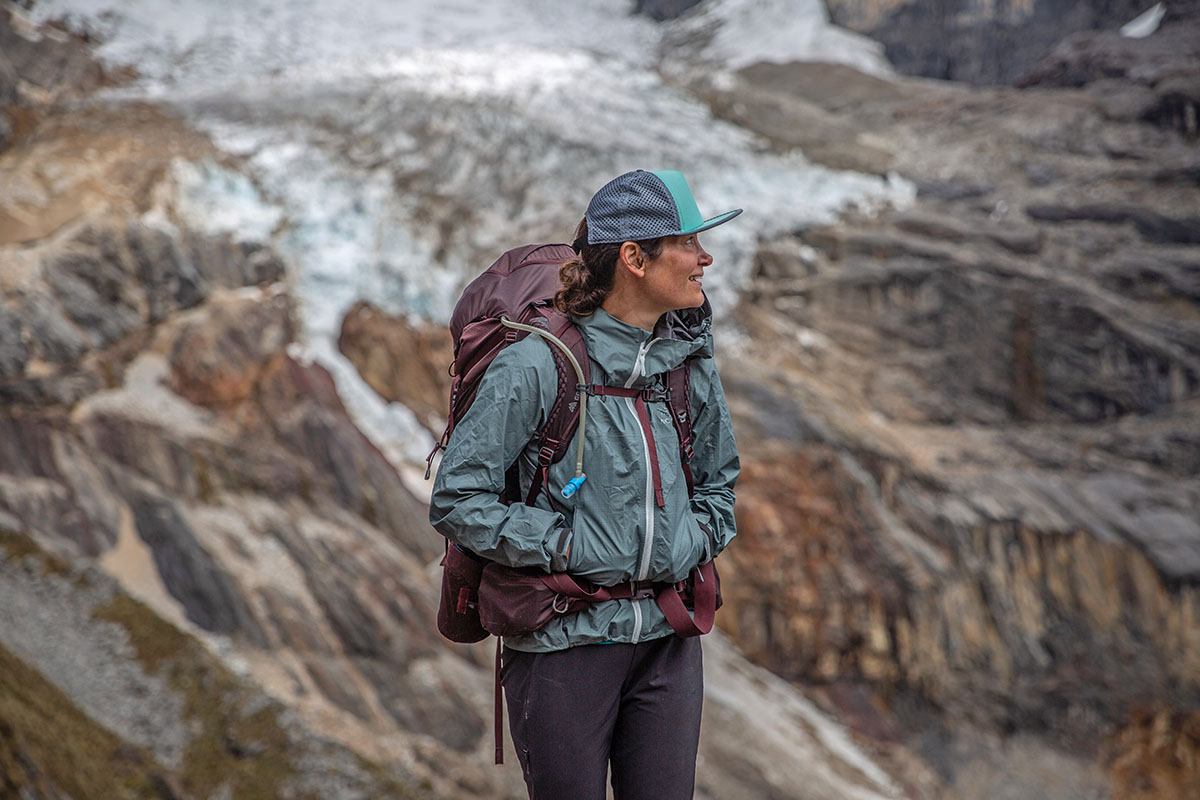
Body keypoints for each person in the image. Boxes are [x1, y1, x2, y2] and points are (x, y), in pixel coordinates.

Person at [429, 169, 741, 800]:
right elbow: (458, 497)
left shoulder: (686, 365)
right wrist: (569, 549)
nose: (704, 257)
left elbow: (720, 485)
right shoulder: (538, 363)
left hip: (666, 639)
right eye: (688, 241)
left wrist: (689, 540)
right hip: (561, 644)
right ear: (634, 257)